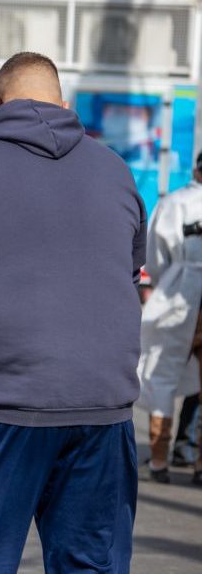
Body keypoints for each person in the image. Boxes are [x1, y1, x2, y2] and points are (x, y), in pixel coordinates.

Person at [0, 52, 146, 573]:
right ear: (64, 105)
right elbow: (128, 276)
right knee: (93, 566)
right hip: (102, 407)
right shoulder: (116, 171)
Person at [137, 152, 202, 483]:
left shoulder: (177, 201)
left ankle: (160, 459)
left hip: (178, 294)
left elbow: (155, 256)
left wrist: (161, 286)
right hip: (184, 292)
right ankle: (197, 464)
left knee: (160, 375)